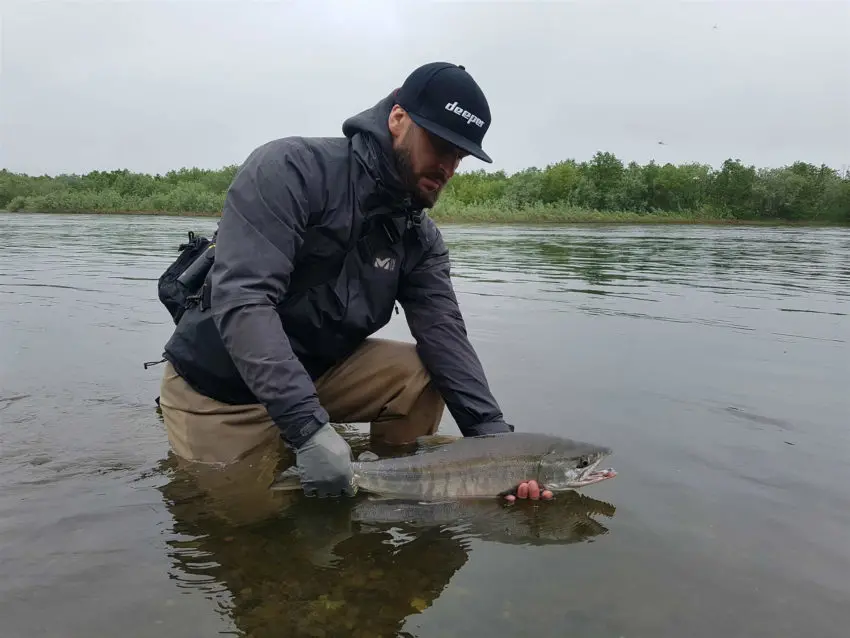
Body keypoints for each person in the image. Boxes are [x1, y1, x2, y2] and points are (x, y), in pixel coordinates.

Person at [156, 61, 552, 502]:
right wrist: (307, 429)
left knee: (422, 373)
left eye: (460, 155)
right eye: (441, 144)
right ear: (398, 119)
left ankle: (388, 485)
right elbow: (243, 301)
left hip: (319, 373)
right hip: (221, 390)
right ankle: (299, 447)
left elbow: (445, 337)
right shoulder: (289, 170)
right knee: (254, 531)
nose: (448, 166)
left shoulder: (418, 237)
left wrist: (497, 446)